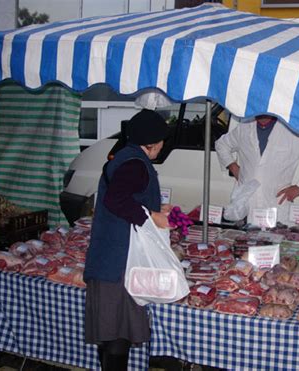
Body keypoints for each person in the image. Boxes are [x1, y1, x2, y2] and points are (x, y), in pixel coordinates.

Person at [83, 109, 171, 371]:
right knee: (117, 331)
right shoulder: (135, 164)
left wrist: (154, 210)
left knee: (111, 328)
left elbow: (124, 197)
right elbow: (116, 199)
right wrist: (151, 216)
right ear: (154, 143)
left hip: (109, 254)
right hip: (119, 261)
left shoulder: (125, 156)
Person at [215, 114, 299, 225]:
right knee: (245, 240)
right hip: (248, 202)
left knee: (276, 239)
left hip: (276, 202)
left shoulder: (292, 131)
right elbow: (221, 144)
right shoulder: (244, 127)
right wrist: (233, 167)